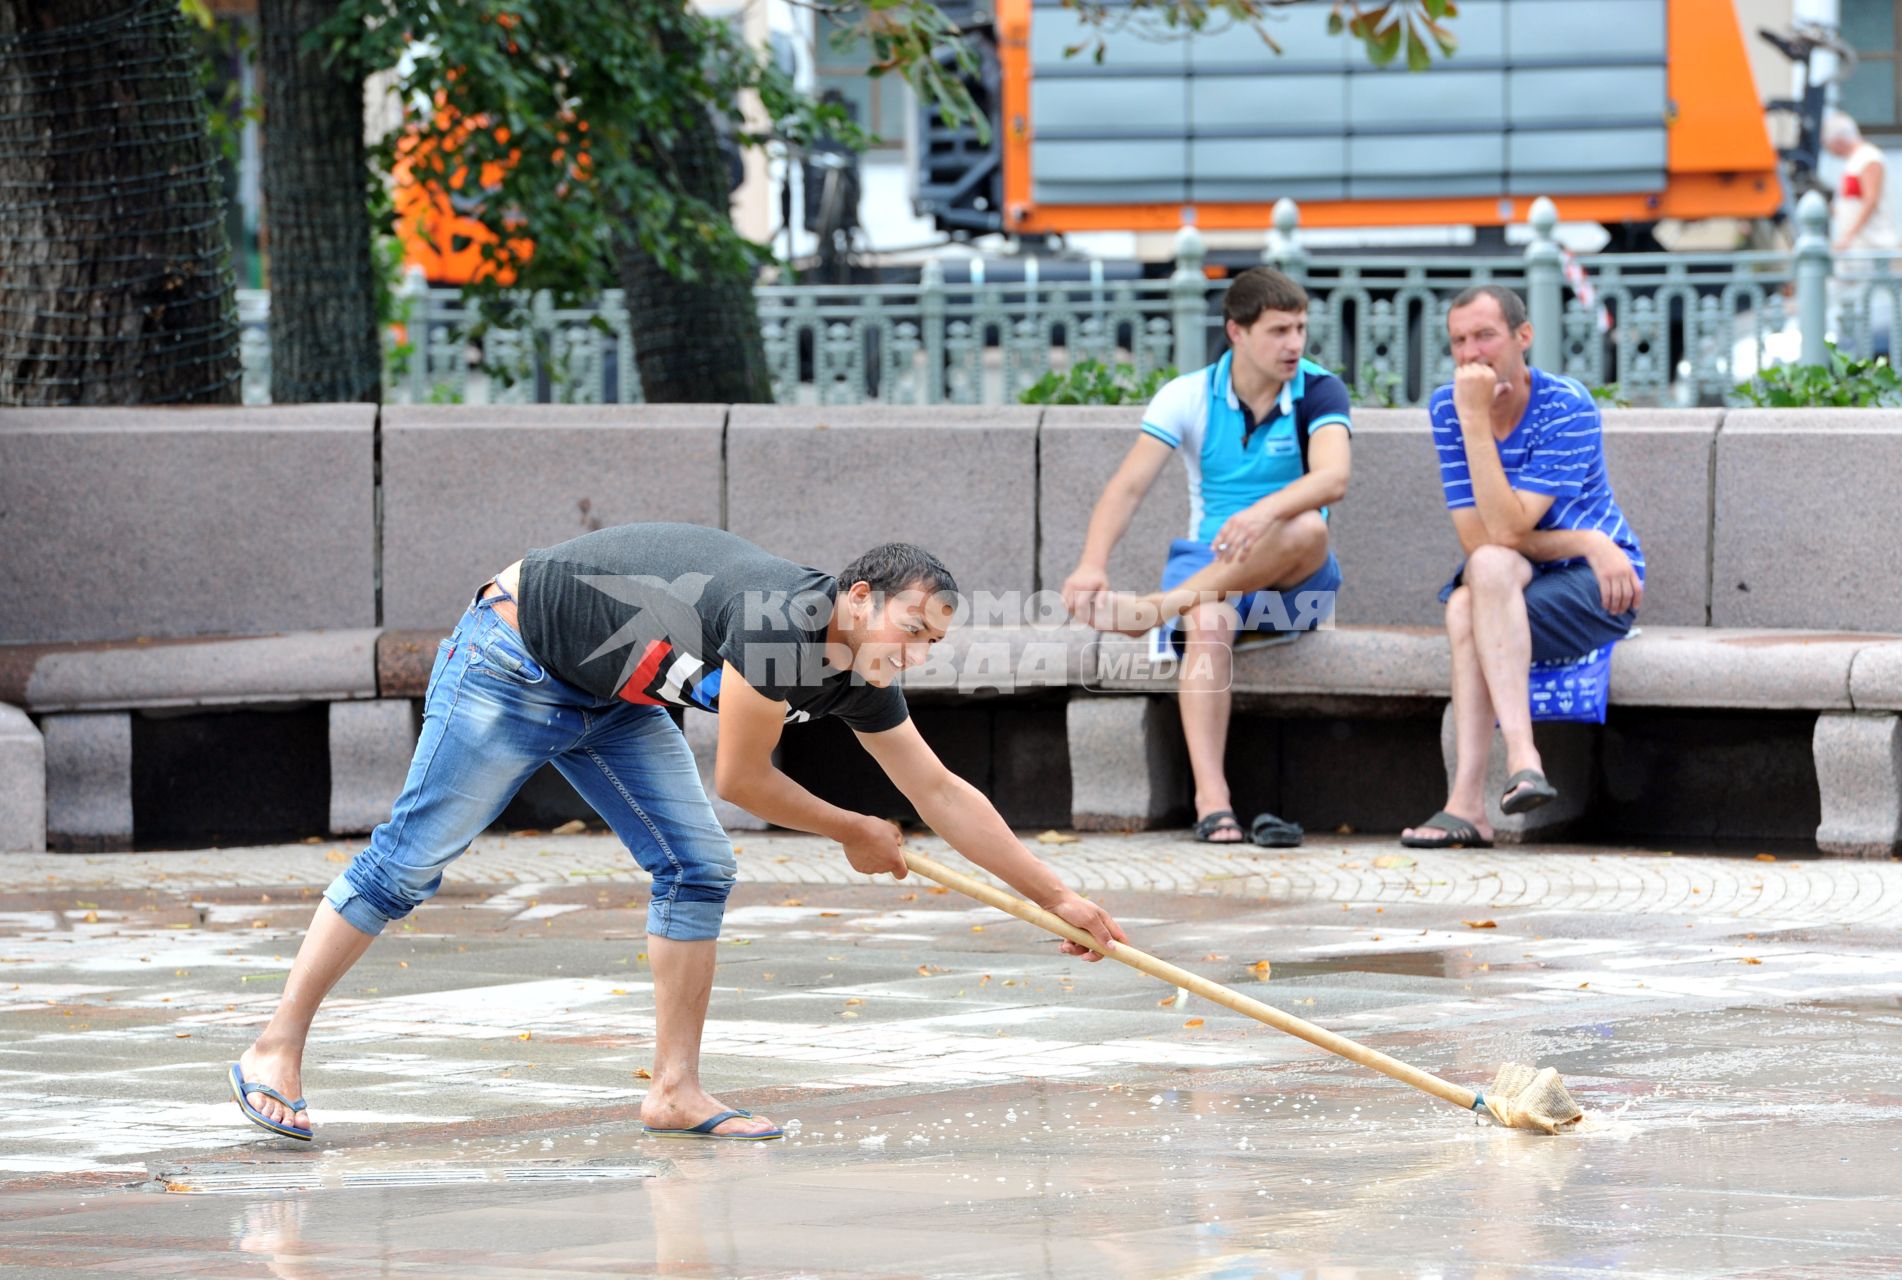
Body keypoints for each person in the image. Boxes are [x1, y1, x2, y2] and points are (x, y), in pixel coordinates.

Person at [229, 524, 1127, 1143]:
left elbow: (938, 790)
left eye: (933, 643)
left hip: (612, 697)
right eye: (912, 629)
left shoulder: (864, 669)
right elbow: (740, 778)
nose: (918, 654)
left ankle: (673, 1091)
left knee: (698, 870)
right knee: (406, 865)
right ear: (859, 597)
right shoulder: (781, 623)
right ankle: (276, 1046)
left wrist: (1055, 897)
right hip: (515, 654)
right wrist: (853, 827)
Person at [1061, 267, 1351, 847]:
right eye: (1278, 330)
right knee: (1209, 617)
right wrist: (1092, 563)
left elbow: (1333, 478)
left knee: (1305, 528)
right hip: (1211, 571)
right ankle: (1213, 803)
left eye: (1299, 329)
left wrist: (1265, 511)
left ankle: (1154, 609)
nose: (1294, 344)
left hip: (1294, 586)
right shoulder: (1188, 394)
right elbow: (1128, 487)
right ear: (1237, 332)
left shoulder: (1319, 390)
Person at [1401, 286, 1644, 850]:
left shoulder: (1566, 405)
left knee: (1473, 595)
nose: (1471, 354)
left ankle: (1471, 799)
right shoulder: (1449, 407)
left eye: (1485, 335)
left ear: (1523, 337)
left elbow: (1508, 531)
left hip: (1600, 584)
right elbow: (1477, 538)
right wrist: (1471, 418)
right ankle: (1513, 772)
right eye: (1458, 341)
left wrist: (1592, 543)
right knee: (1476, 582)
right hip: (1516, 580)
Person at [1823, 110, 1898, 356]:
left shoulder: (1869, 158)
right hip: (1855, 246)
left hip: (1869, 244)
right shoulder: (1854, 161)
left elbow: (1871, 200)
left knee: (1864, 295)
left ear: (1838, 140)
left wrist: (1848, 235)